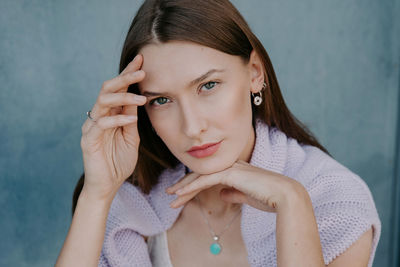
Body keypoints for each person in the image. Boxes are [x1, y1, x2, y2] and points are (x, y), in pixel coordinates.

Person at [55, 0, 381, 266]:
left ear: (254, 74)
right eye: (162, 100)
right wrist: (97, 195)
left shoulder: (336, 204)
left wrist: (292, 202)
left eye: (208, 85)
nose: (192, 127)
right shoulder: (131, 203)